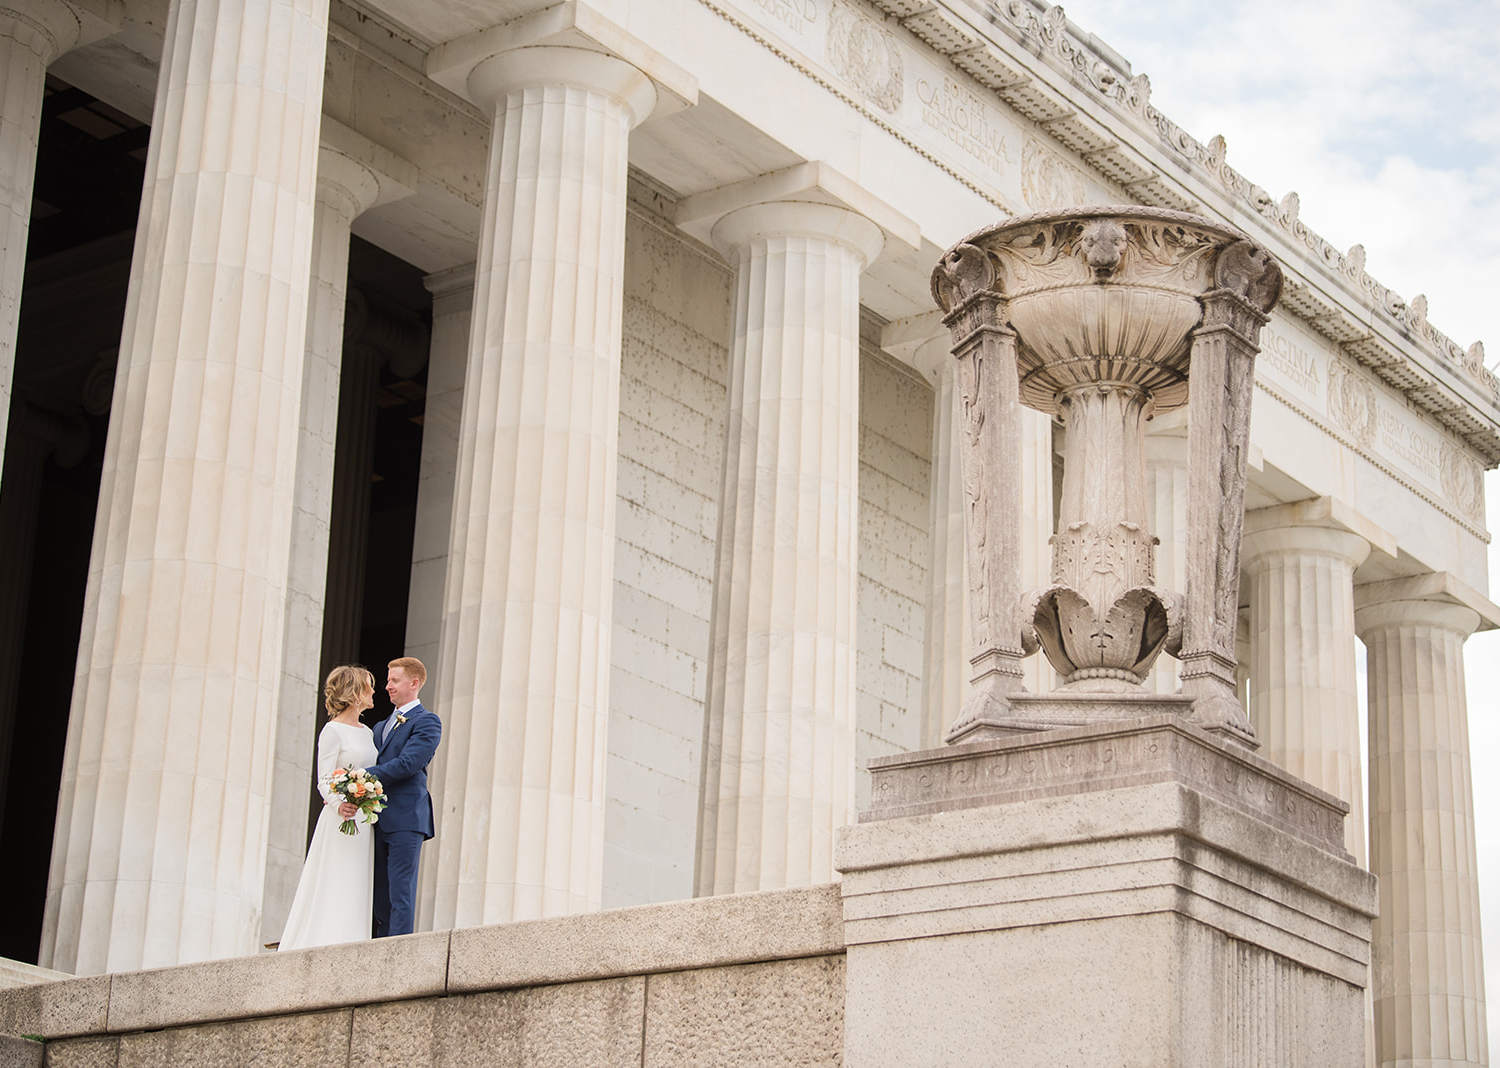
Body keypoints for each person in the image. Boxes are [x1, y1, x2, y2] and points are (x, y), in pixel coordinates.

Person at [278, 665, 378, 952]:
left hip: (363, 819)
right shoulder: (332, 730)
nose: (374, 691)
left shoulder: (369, 732)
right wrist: (339, 804)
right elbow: (324, 778)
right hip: (340, 818)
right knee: (336, 876)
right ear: (356, 692)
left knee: (357, 880)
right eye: (368, 686)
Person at [355, 656, 441, 938]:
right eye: (388, 680)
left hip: (406, 817)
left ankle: (398, 953)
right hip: (376, 817)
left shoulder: (427, 722)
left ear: (413, 683)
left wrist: (362, 777)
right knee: (379, 896)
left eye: (394, 680)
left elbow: (408, 764)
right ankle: (380, 949)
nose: (387, 686)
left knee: (400, 892)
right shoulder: (379, 727)